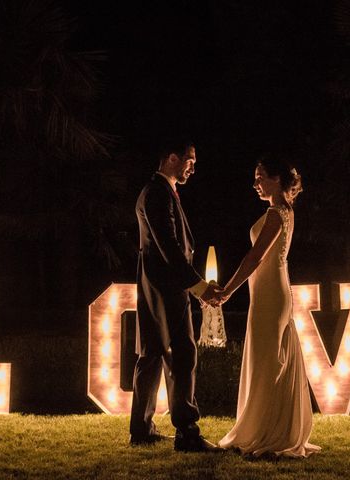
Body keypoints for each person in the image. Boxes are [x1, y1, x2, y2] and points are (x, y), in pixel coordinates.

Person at [214, 156, 321, 457]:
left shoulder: (277, 214)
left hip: (271, 293)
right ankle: (271, 427)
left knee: (268, 362)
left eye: (260, 176)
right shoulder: (283, 211)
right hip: (270, 291)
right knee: (270, 360)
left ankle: (266, 432)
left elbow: (255, 257)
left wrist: (227, 290)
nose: (255, 182)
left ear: (276, 178)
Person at [130, 139, 221, 452]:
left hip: (151, 286)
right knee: (182, 354)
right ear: (171, 158)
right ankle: (187, 432)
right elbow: (169, 246)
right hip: (168, 288)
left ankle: (141, 429)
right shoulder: (158, 193)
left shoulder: (153, 191)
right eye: (189, 159)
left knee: (151, 353)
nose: (193, 166)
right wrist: (198, 287)